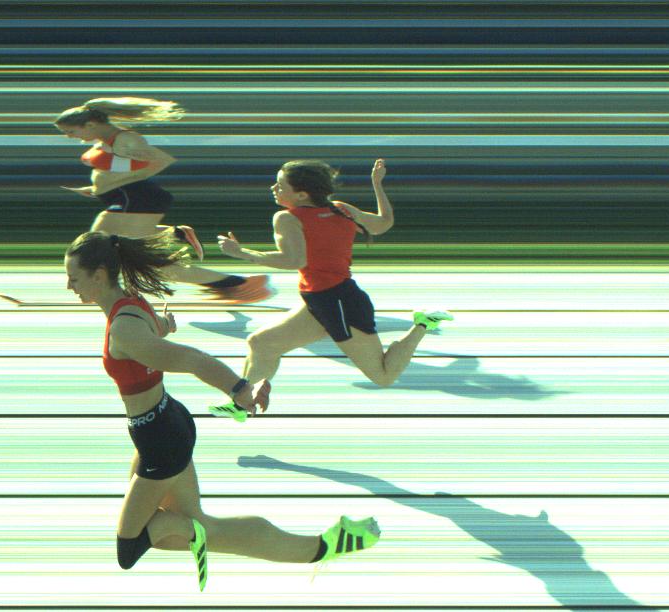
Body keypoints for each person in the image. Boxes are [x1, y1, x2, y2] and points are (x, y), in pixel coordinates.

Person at [64, 231, 380, 589]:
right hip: (165, 425)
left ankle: (203, 533)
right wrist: (165, 327)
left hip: (160, 438)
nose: (69, 286)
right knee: (191, 527)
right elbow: (153, 337)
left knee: (131, 546)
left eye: (74, 278)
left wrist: (240, 389)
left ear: (99, 275)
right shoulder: (133, 305)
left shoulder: (124, 329)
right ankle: (326, 545)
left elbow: (190, 359)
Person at [220, 159, 451, 398]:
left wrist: (242, 253)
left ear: (301, 195)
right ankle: (241, 403)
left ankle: (423, 323)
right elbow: (383, 223)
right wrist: (377, 184)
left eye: (280, 185)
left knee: (383, 375)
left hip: (338, 304)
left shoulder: (287, 218)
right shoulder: (341, 209)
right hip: (320, 300)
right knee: (261, 343)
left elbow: (294, 260)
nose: (273, 188)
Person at [54, 98, 271, 303]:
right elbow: (118, 170)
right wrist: (98, 189)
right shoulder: (108, 140)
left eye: (71, 132)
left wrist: (115, 184)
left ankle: (239, 285)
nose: (69, 137)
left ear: (90, 125)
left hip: (136, 200)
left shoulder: (126, 140)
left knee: (103, 251)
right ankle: (189, 246)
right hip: (128, 199)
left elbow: (160, 160)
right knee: (101, 249)